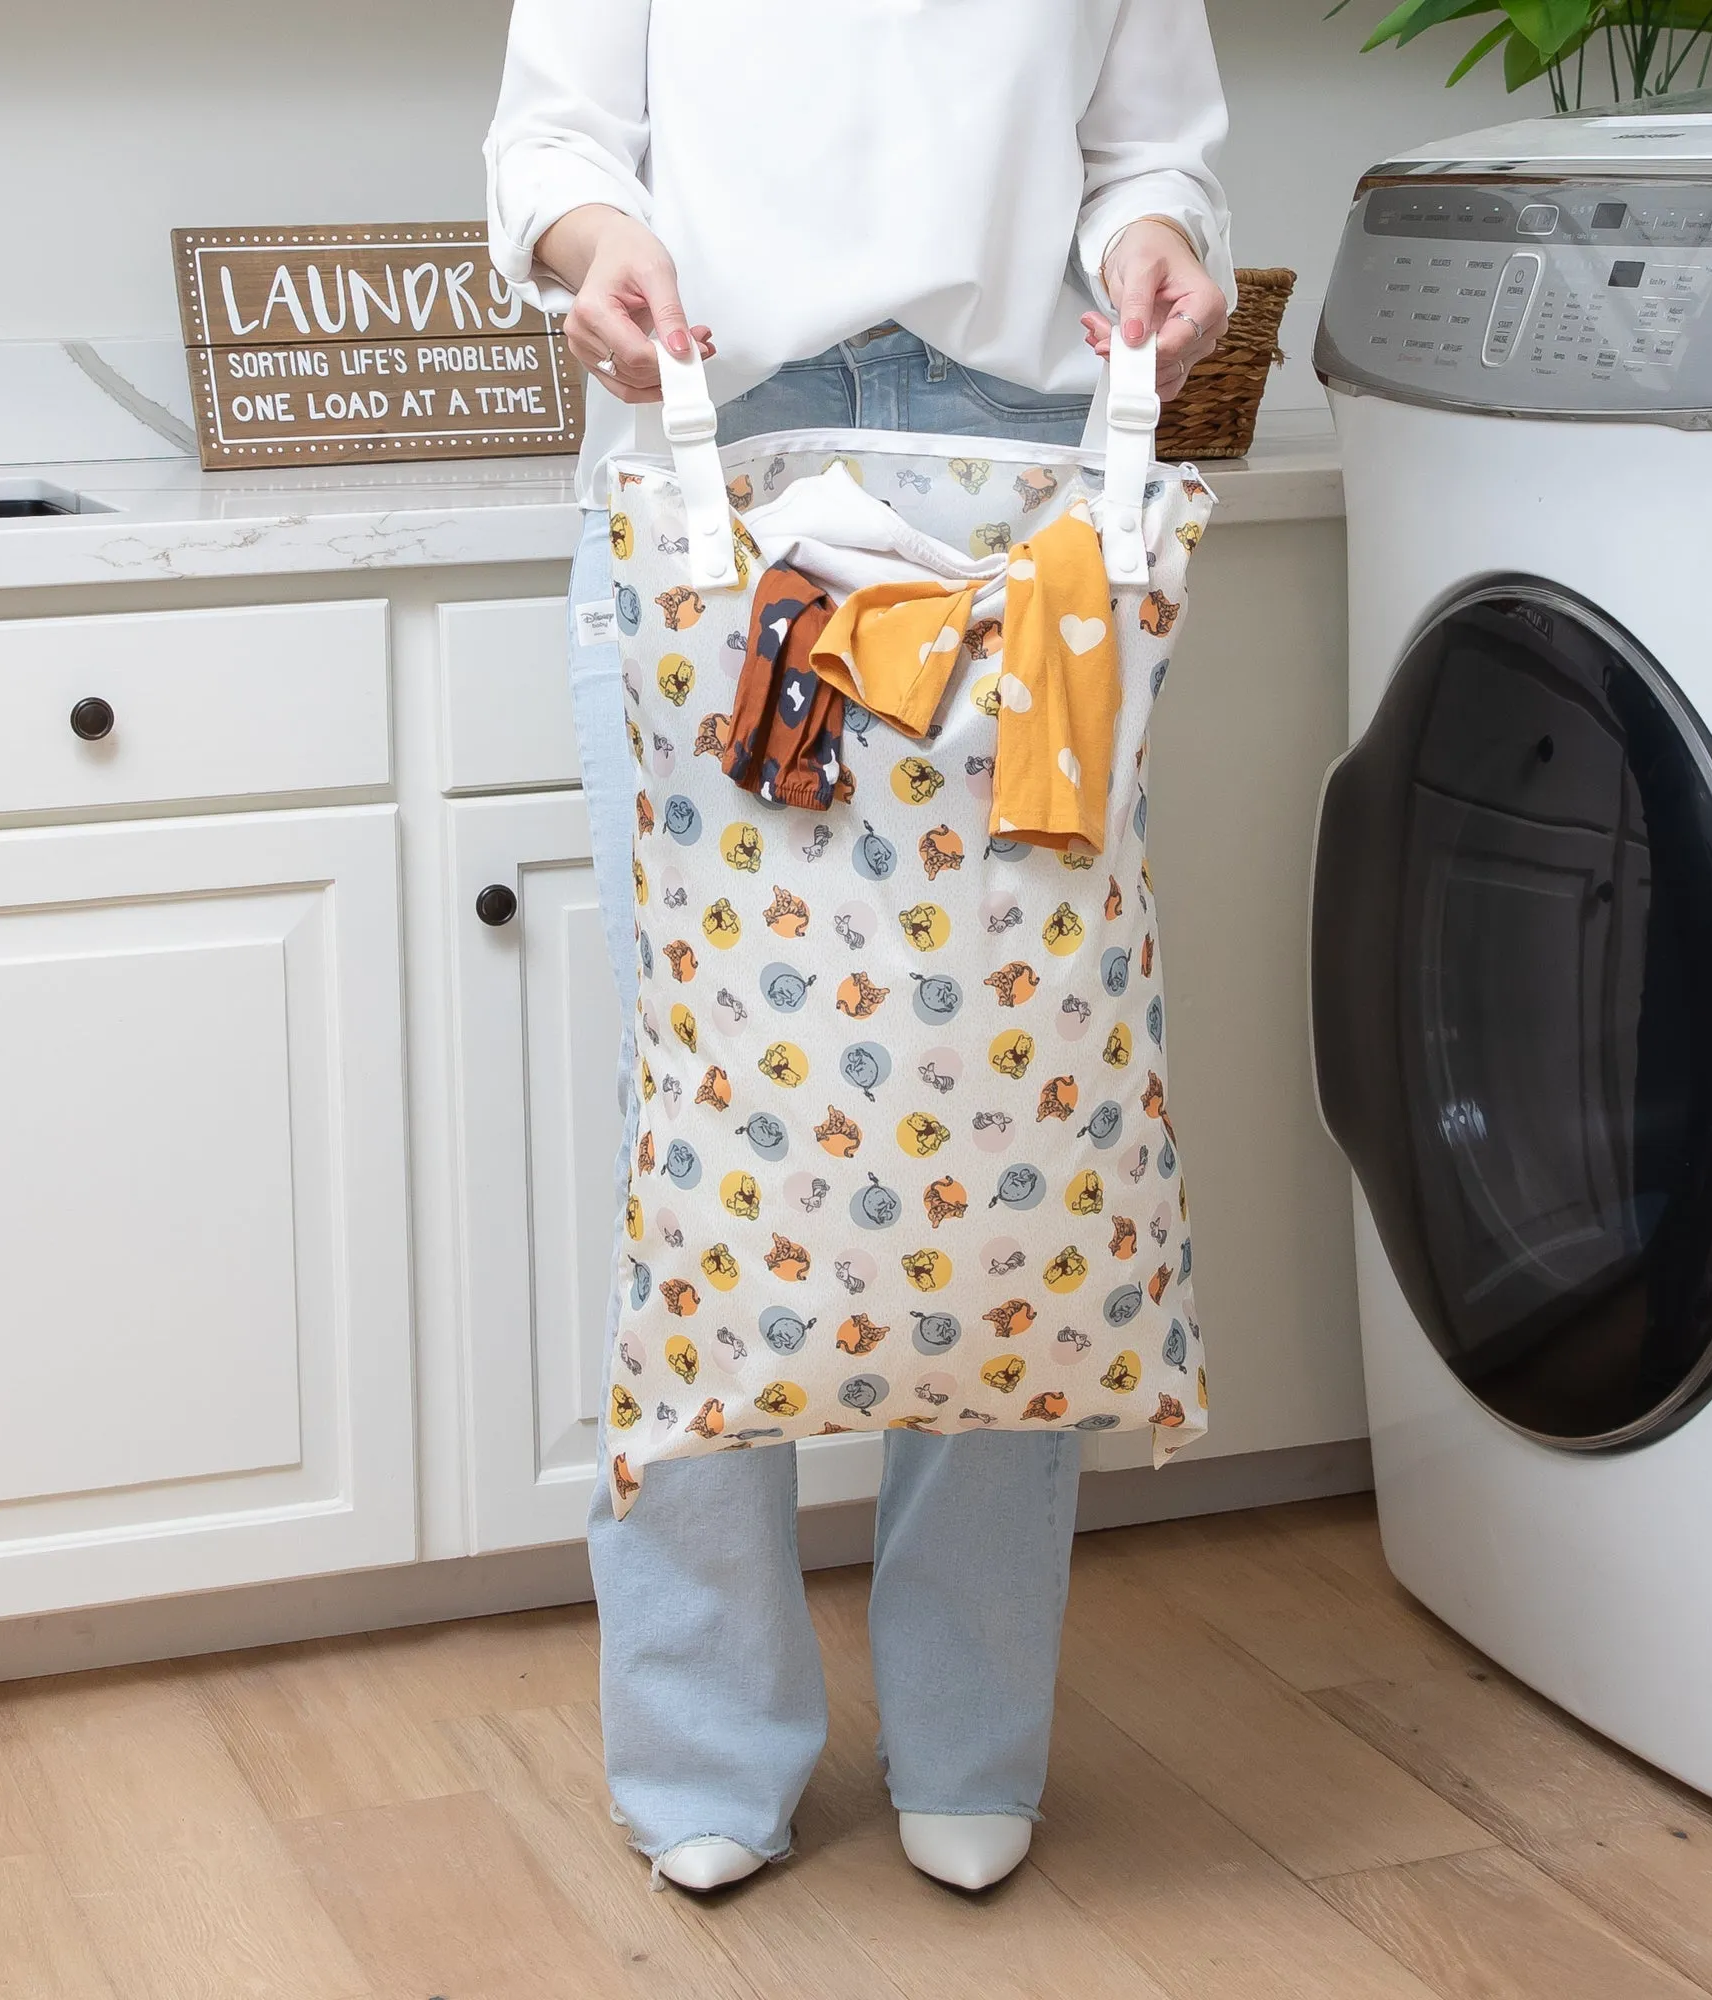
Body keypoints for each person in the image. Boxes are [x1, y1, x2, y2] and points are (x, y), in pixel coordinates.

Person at [485, 0, 1234, 1897]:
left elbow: (1152, 148)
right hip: (702, 469)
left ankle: (973, 1736)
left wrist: (1163, 241)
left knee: (1013, 1119)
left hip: (1028, 503)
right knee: (720, 1130)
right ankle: (705, 1743)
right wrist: (595, 247)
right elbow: (550, 143)